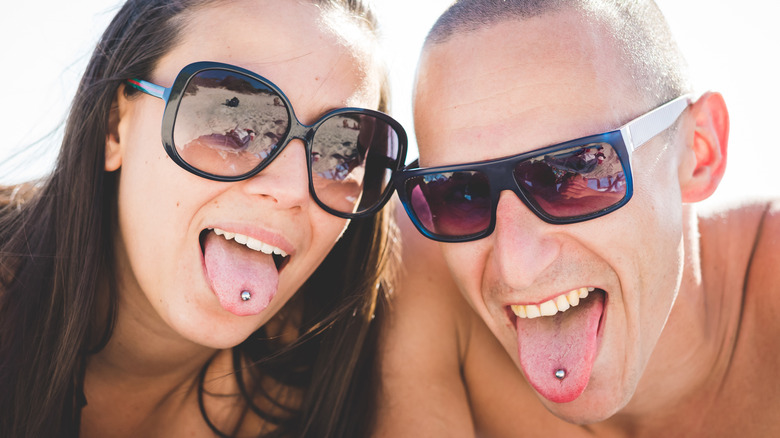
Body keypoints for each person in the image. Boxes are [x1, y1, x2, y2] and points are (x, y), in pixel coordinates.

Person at [0, 0, 408, 436]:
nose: (292, 189)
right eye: (230, 119)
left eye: (341, 151)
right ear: (114, 125)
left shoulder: (352, 372)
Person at [377, 0, 779, 436]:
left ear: (700, 152)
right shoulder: (418, 261)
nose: (517, 266)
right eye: (461, 192)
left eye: (574, 171)